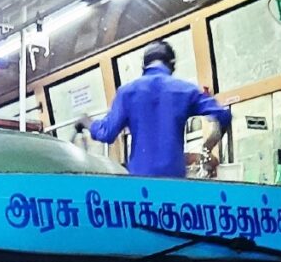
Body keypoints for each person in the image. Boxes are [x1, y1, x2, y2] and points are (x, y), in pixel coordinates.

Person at [76, 41, 230, 177]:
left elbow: (106, 133)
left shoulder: (127, 92)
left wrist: (87, 122)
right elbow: (223, 115)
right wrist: (206, 149)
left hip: (141, 186)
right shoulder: (186, 90)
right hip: (175, 183)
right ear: (172, 65)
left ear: (144, 66)